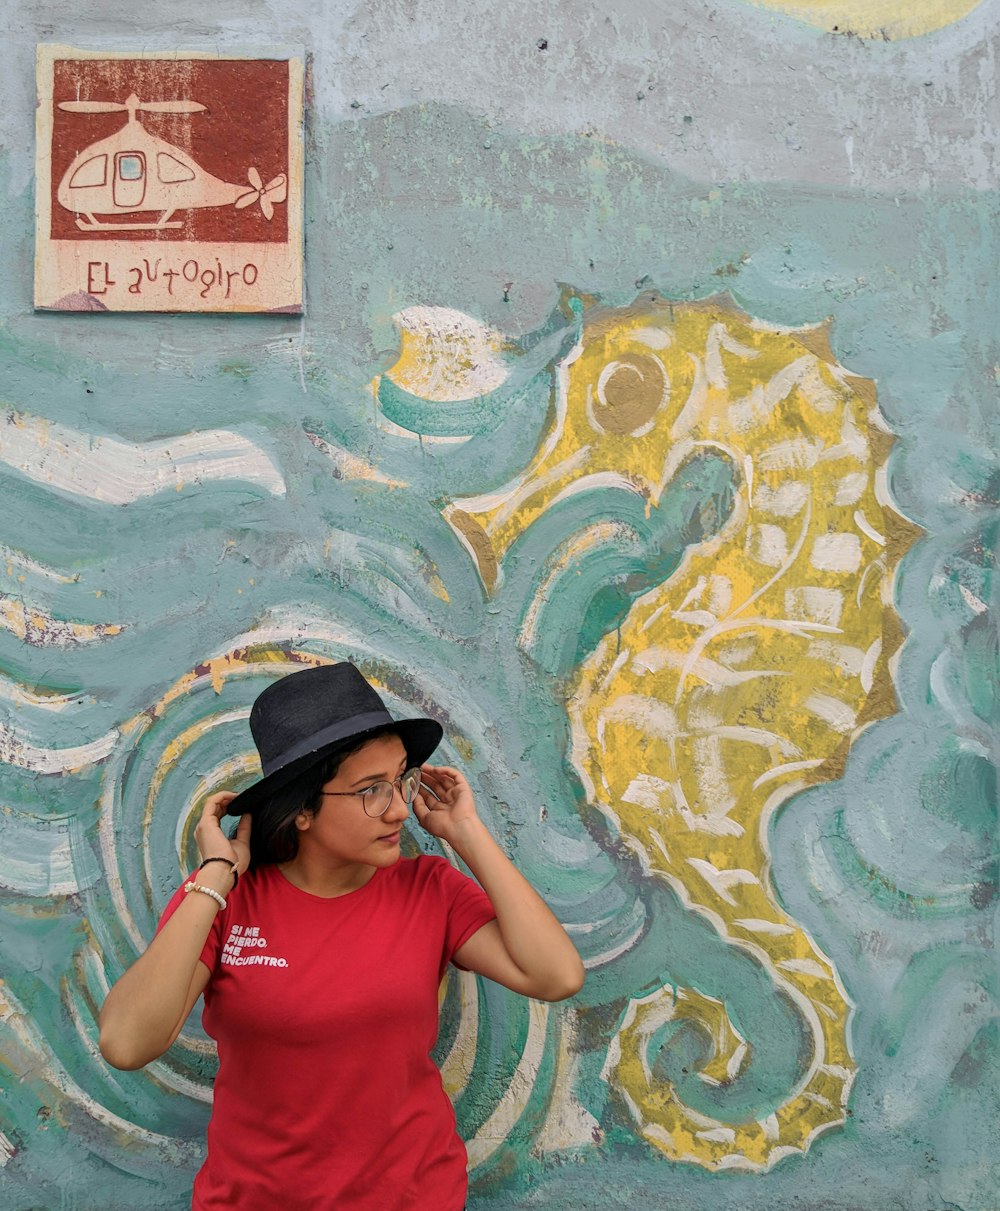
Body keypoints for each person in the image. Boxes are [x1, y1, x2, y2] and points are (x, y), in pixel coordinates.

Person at [99, 662, 585, 1210]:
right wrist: (215, 874)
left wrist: (465, 833)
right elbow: (126, 1043)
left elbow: (556, 975)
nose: (400, 807)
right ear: (303, 810)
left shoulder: (429, 889)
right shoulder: (224, 900)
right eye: (370, 790)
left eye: (401, 779)